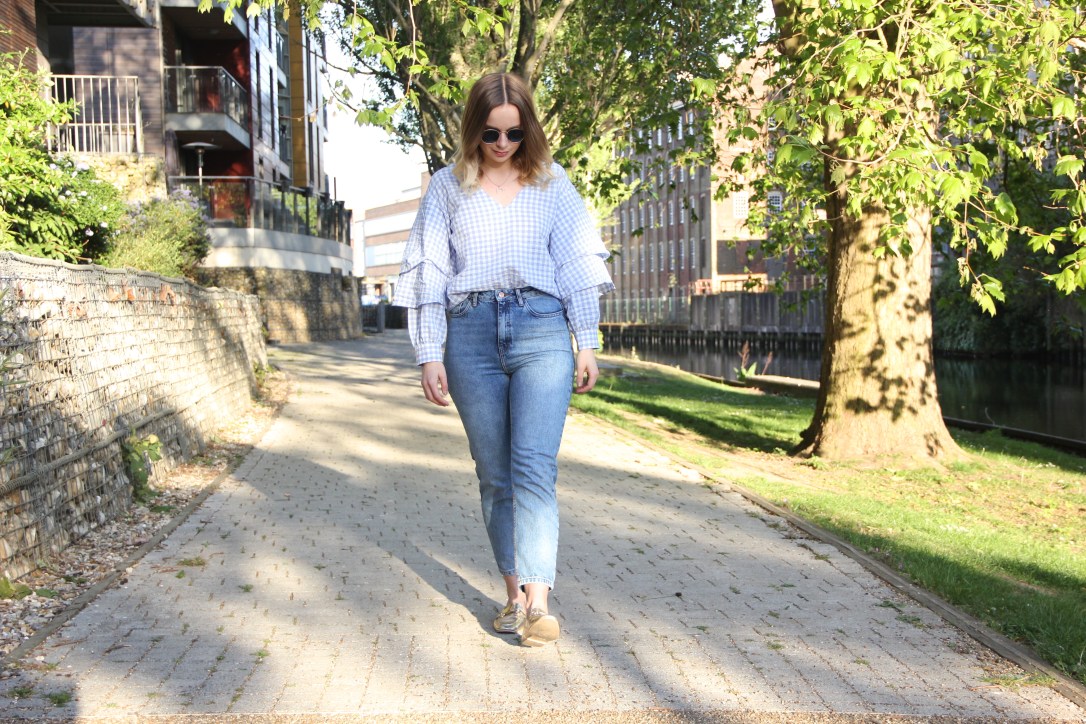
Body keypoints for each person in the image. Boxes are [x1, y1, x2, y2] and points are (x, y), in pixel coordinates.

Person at [393, 72, 614, 647]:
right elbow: (430, 274)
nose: (502, 145)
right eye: (491, 133)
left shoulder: (552, 182)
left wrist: (584, 339)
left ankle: (540, 603)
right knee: (495, 477)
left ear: (528, 130)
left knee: (534, 468)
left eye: (514, 134)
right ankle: (513, 597)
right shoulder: (446, 188)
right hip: (468, 336)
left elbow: (575, 262)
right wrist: (428, 353)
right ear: (474, 128)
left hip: (542, 330)